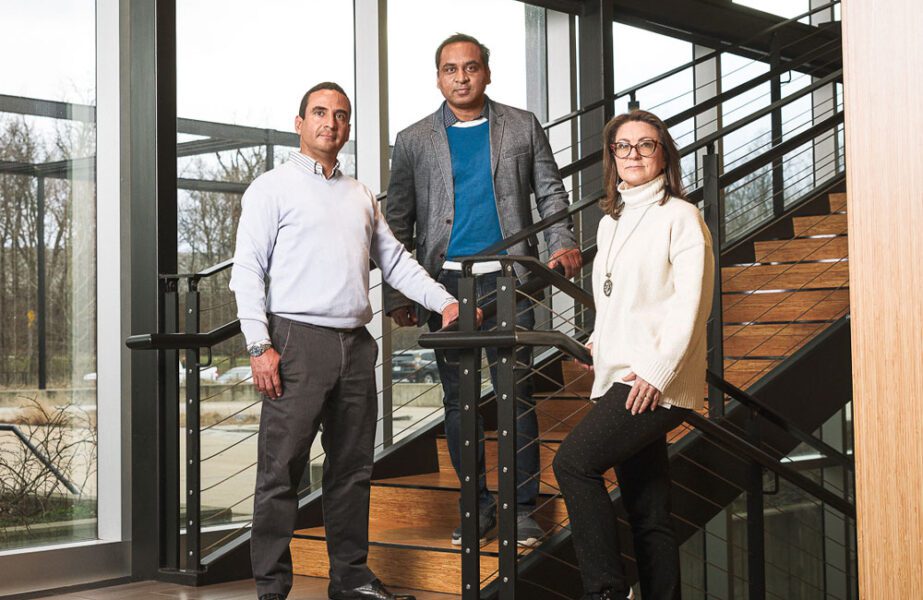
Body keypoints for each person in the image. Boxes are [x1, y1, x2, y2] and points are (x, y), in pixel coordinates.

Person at [230, 82, 472, 600]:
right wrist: (258, 344)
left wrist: (443, 302)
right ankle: (272, 590)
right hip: (295, 341)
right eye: (320, 113)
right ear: (300, 123)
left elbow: (396, 261)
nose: (331, 123)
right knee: (280, 475)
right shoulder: (270, 189)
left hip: (356, 345)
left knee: (351, 471)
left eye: (341, 115)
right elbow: (246, 272)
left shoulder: (360, 193)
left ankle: (351, 581)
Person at [384, 33, 583, 547]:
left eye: (470, 67)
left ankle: (519, 508)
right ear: (438, 78)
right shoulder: (412, 140)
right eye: (450, 69)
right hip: (445, 286)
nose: (461, 77)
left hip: (511, 280)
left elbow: (550, 192)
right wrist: (400, 295)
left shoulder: (521, 126)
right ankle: (476, 505)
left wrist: (561, 242)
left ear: (487, 73)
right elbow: (397, 222)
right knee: (460, 403)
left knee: (516, 396)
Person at [552, 110, 714, 600]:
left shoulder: (682, 217)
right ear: (612, 158)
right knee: (649, 513)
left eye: (646, 144)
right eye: (624, 146)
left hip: (653, 383)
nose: (635, 155)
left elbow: (692, 303)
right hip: (621, 375)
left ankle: (605, 591)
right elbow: (617, 300)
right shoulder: (610, 223)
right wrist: (599, 345)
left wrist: (659, 372)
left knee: (573, 465)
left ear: (663, 152)